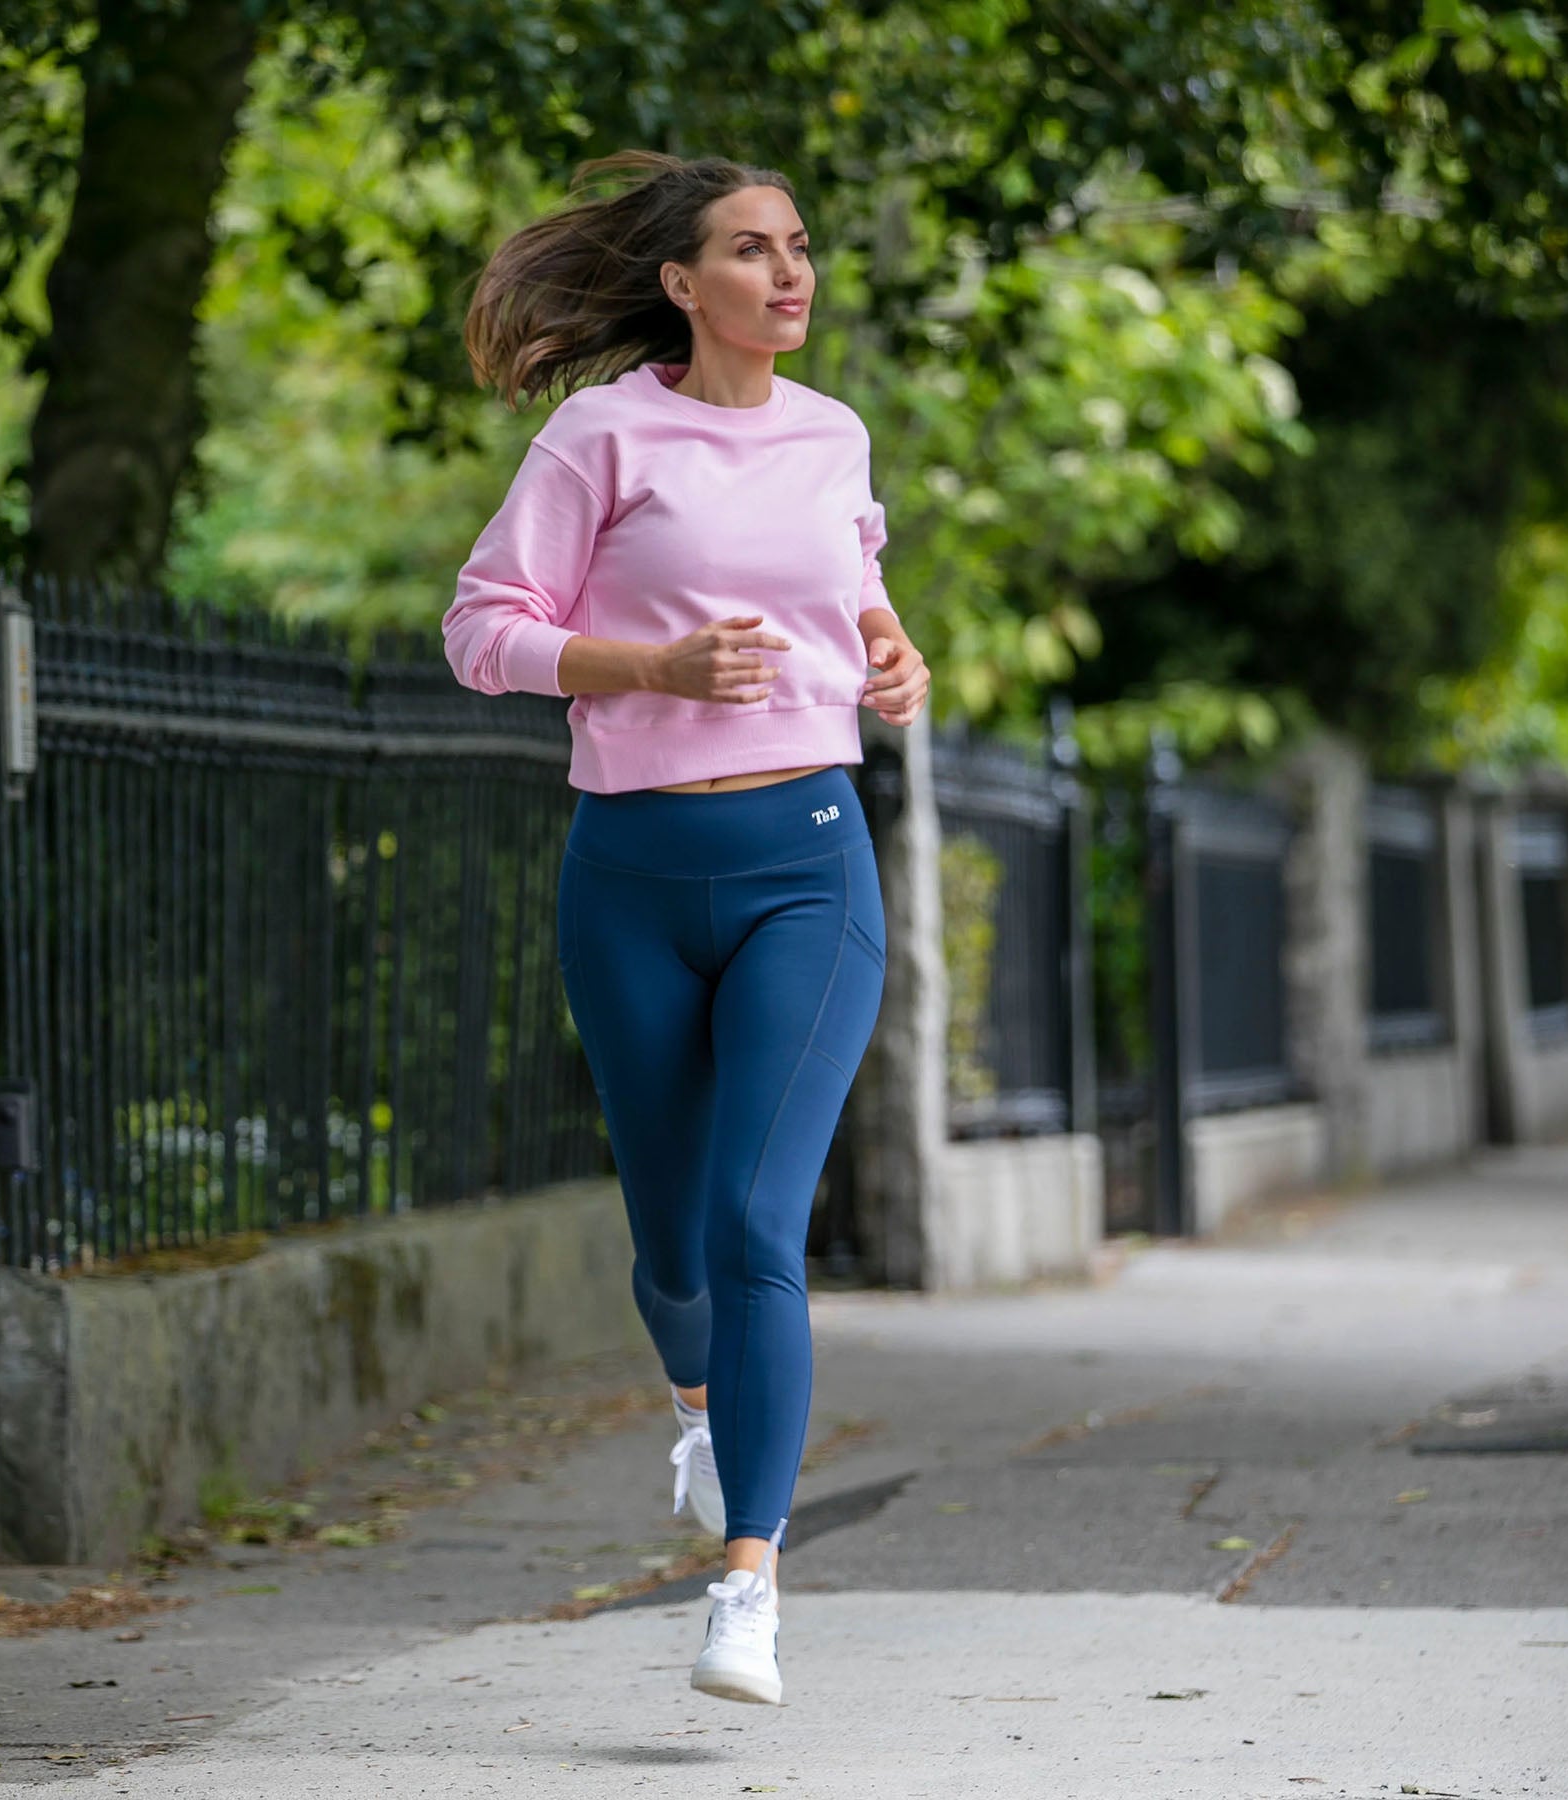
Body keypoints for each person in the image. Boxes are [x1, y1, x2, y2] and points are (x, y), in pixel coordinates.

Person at [440, 150, 931, 1706]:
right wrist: (643, 670)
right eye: (750, 252)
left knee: (751, 1225)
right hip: (633, 875)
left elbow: (856, 598)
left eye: (798, 247)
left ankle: (748, 1589)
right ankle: (704, 1412)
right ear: (680, 283)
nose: (790, 276)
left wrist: (897, 656)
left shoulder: (832, 433)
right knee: (669, 1248)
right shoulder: (600, 433)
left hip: (804, 857)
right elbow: (481, 632)